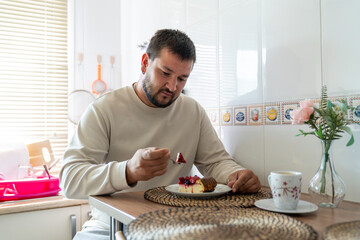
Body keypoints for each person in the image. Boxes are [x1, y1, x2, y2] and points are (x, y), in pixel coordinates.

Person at [60, 29, 261, 239]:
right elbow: (70, 180)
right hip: (110, 226)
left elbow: (215, 162)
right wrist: (127, 171)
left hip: (172, 227)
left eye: (182, 78)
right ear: (145, 62)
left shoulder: (193, 111)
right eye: (165, 73)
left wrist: (236, 175)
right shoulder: (103, 109)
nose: (173, 87)